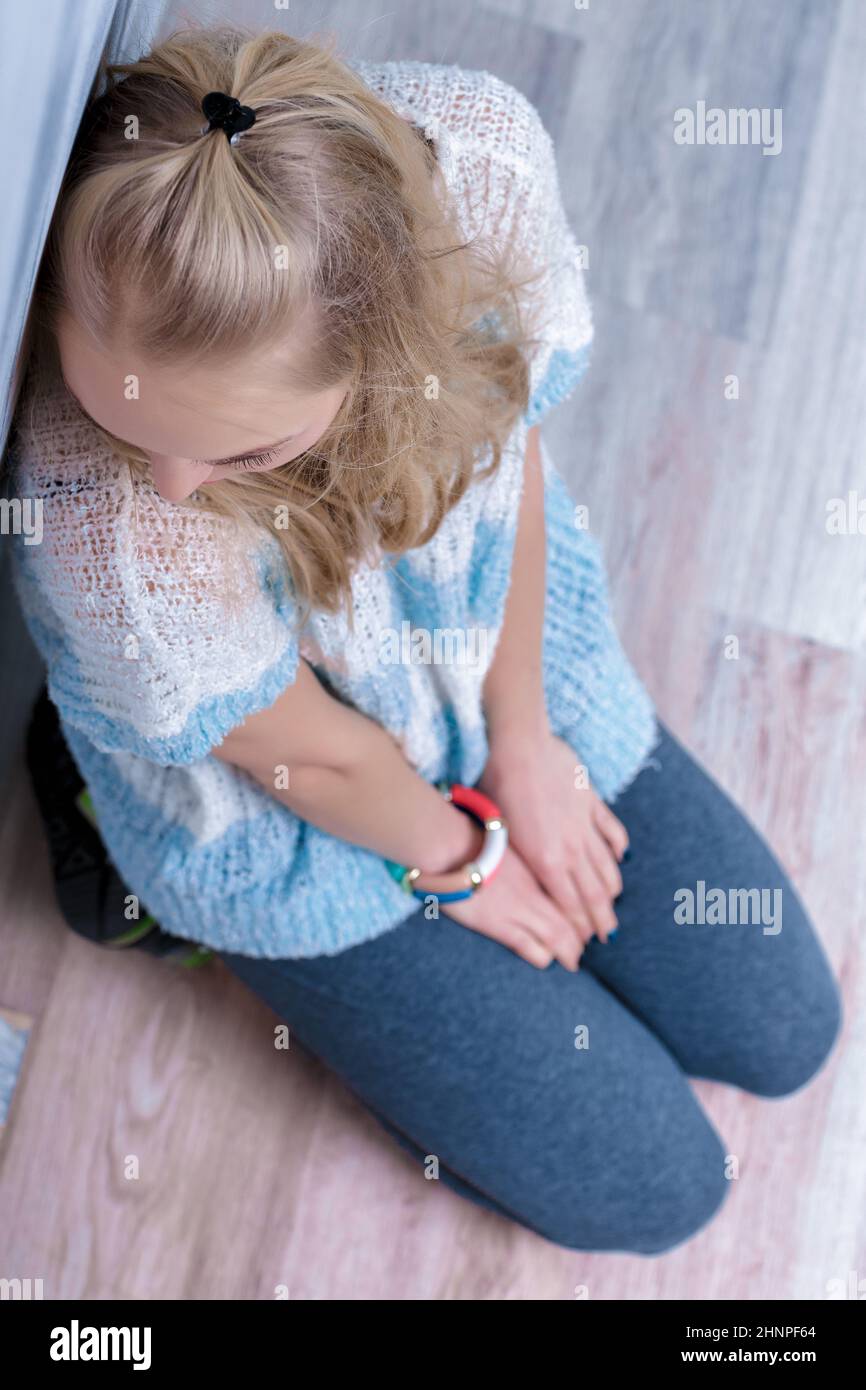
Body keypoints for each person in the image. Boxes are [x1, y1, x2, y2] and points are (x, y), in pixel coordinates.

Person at [10, 25, 841, 1254]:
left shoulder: (476, 177)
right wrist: (464, 860)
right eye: (121, 415)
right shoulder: (108, 532)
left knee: (781, 1026)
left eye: (237, 449)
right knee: (659, 1189)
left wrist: (526, 736)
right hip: (283, 812)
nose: (171, 487)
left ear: (379, 344)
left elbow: (502, 452)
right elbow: (321, 763)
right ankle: (148, 877)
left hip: (464, 643)